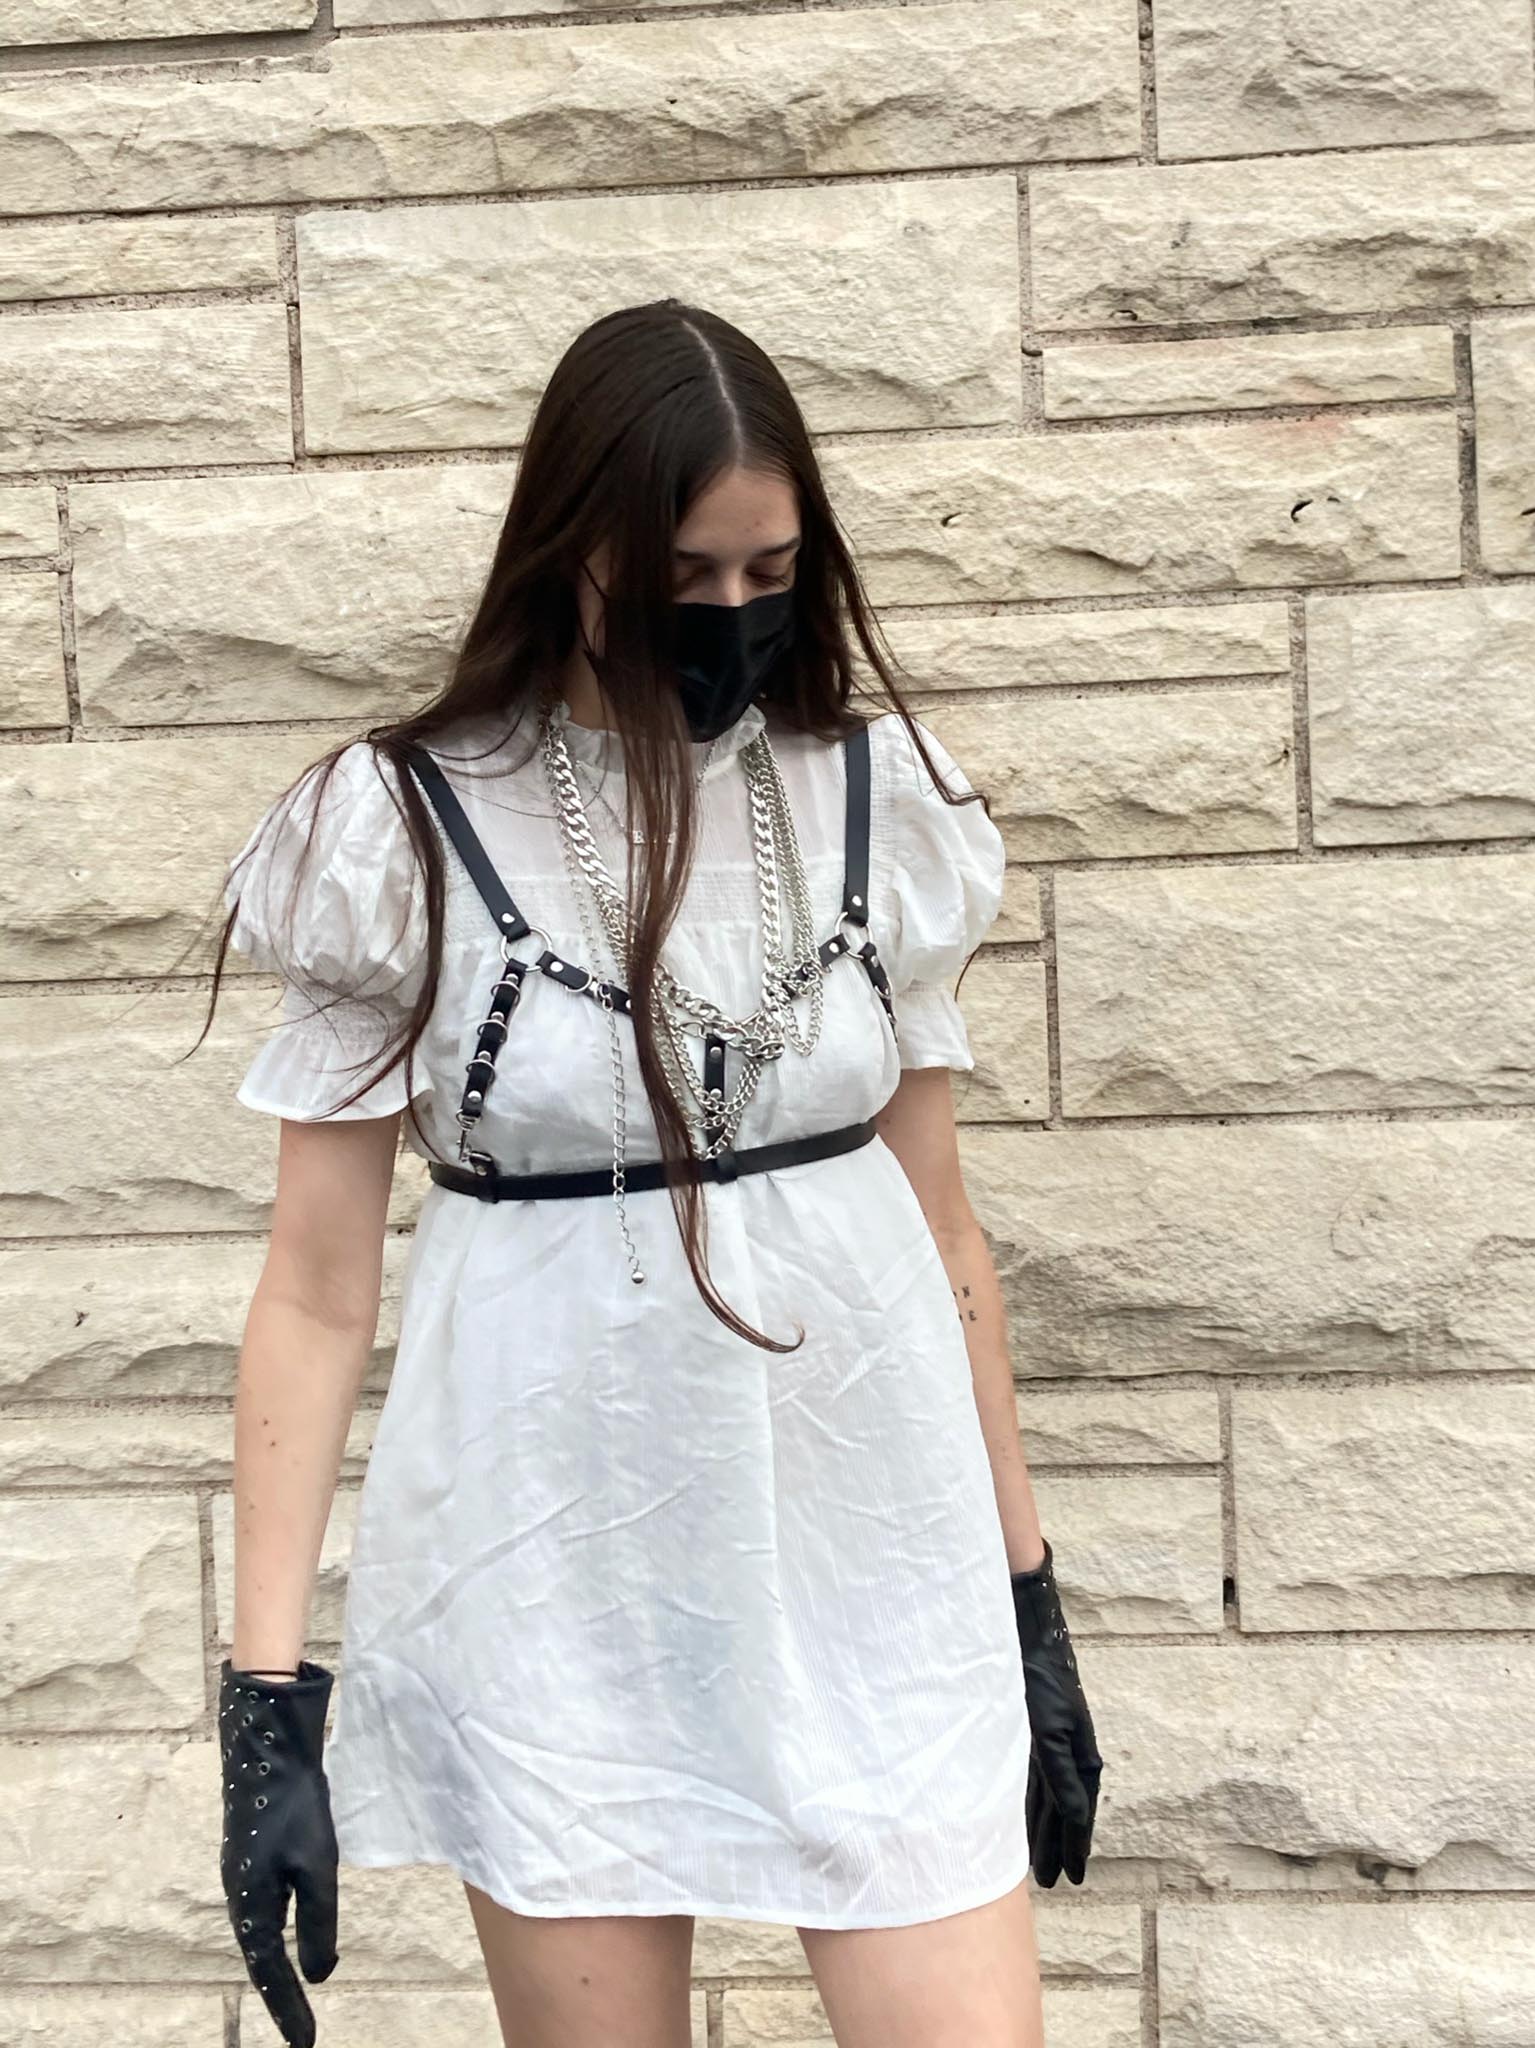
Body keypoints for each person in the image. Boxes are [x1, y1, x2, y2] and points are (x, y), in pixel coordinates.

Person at [202, 298, 1101, 2048]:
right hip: (556, 1560)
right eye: (685, 576)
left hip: (873, 1542)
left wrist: (1028, 1591)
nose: (736, 618)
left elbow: (942, 1230)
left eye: (771, 571)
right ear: (577, 550)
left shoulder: (878, 796)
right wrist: (265, 1704)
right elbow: (315, 1293)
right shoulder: (401, 825)